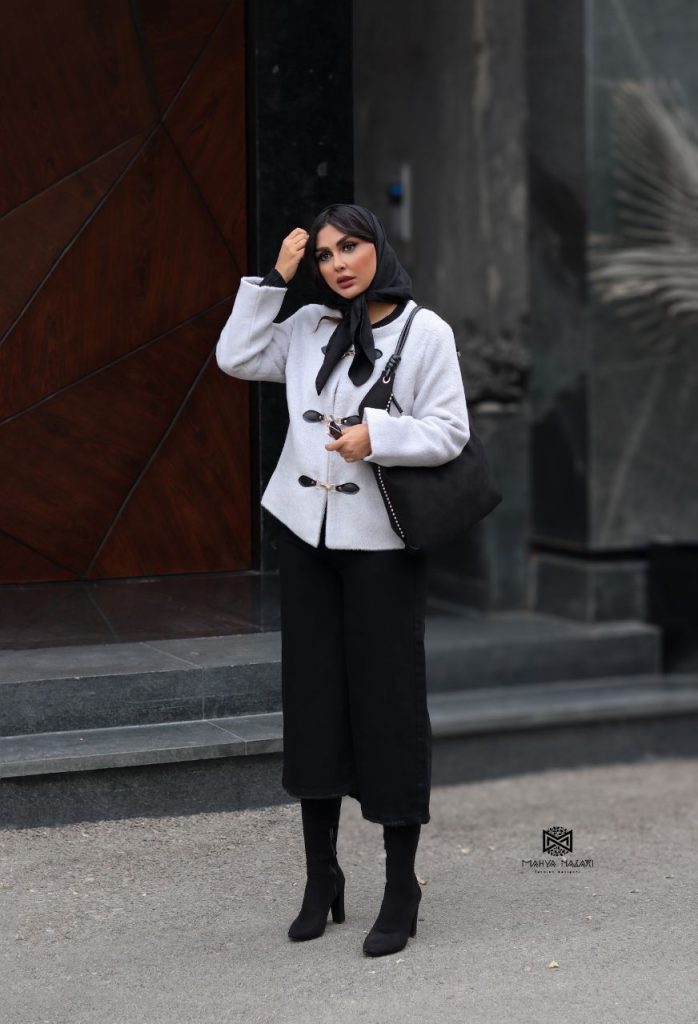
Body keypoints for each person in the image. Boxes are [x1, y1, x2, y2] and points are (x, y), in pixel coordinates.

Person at [215, 204, 470, 956]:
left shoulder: (426, 332)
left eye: (349, 247)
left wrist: (376, 436)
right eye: (325, 255)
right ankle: (321, 876)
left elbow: (450, 431)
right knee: (313, 702)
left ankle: (401, 884)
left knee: (389, 706)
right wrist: (276, 278)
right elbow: (235, 355)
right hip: (306, 536)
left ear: (377, 248)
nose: (338, 265)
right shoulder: (306, 326)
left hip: (382, 546)